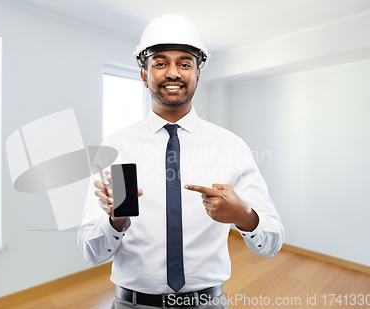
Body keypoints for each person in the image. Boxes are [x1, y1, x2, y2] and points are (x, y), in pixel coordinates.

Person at [78, 14, 284, 309]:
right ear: (143, 74)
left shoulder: (230, 146)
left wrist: (243, 215)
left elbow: (272, 242)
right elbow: (91, 252)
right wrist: (116, 220)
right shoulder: (115, 148)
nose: (172, 73)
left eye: (184, 63)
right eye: (160, 63)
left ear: (198, 73)